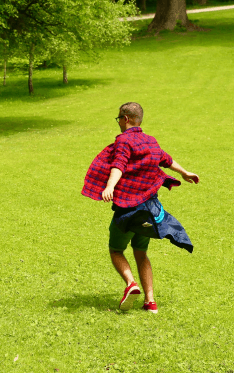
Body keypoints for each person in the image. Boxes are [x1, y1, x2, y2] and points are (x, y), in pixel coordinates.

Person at [81, 102, 199, 313]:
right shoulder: (150, 141)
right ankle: (150, 302)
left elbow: (119, 164)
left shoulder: (124, 141)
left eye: (118, 118)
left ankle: (131, 284)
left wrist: (110, 186)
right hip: (149, 210)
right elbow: (167, 159)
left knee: (116, 250)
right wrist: (184, 172)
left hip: (128, 210)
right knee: (141, 253)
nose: (118, 122)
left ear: (126, 118)